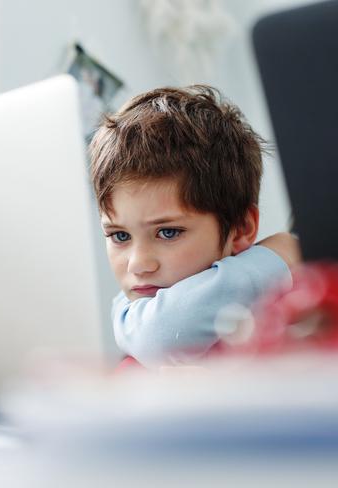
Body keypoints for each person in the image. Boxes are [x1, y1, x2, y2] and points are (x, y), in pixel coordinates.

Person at [89, 85, 300, 369]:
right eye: (120, 235)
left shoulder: (283, 312)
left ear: (241, 228)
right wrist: (276, 257)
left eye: (168, 232)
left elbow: (163, 335)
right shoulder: (133, 313)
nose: (138, 265)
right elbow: (159, 334)